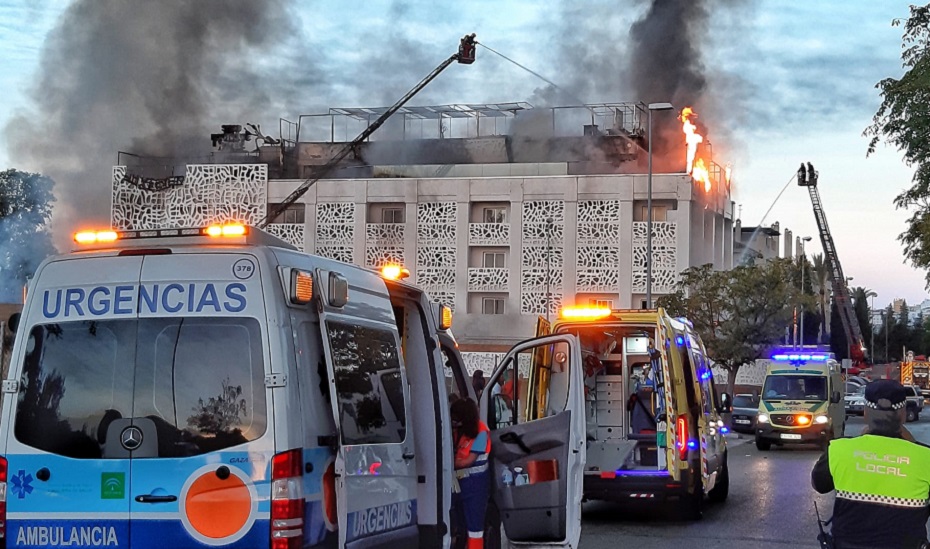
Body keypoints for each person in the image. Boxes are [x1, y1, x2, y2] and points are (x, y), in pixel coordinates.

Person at [811, 380, 930, 549]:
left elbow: (819, 485)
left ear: (865, 413)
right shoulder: (925, 457)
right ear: (903, 414)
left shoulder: (839, 450)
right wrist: (911, 443)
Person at [451, 397, 491, 549]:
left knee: (474, 529)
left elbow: (468, 461)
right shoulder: (459, 430)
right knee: (459, 526)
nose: (454, 422)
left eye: (456, 419)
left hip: (476, 486)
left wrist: (445, 464)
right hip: (460, 484)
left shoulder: (481, 432)